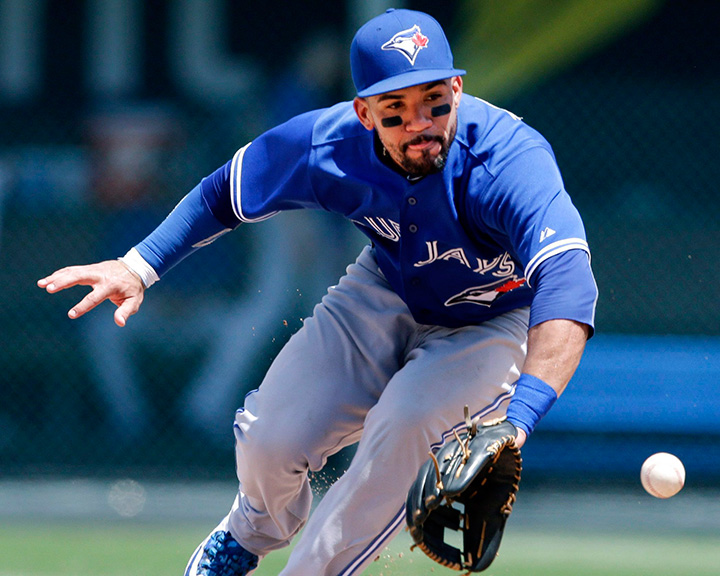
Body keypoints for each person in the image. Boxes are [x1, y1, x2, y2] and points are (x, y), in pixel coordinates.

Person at [38, 9, 597, 576]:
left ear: (457, 87)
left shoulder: (508, 161)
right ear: (364, 113)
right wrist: (139, 266)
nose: (420, 123)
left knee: (402, 428)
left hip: (490, 319)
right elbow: (223, 194)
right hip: (385, 288)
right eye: (395, 110)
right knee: (269, 439)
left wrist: (516, 422)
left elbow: (569, 286)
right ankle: (246, 534)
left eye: (435, 101)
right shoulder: (331, 143)